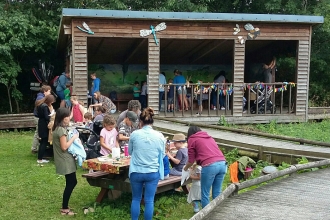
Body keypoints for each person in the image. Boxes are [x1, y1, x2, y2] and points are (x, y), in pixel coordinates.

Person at [128, 107, 166, 220]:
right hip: (152, 172)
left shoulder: (134, 134)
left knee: (136, 199)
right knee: (149, 200)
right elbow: (163, 154)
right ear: (152, 121)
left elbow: (130, 151)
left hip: (136, 171)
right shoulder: (160, 136)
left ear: (140, 122)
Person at [184, 126, 227, 208]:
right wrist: (196, 164)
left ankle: (207, 216)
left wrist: (185, 168)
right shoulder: (209, 137)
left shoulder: (192, 139)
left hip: (210, 166)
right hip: (222, 163)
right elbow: (208, 154)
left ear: (189, 134)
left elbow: (191, 160)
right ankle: (218, 212)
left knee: (204, 194)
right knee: (217, 192)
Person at [52, 107, 79, 216]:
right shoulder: (61, 130)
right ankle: (64, 208)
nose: (69, 118)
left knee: (72, 182)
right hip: (65, 160)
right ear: (63, 118)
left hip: (65, 159)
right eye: (68, 116)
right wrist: (74, 138)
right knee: (71, 182)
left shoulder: (58, 128)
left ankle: (65, 205)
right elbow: (64, 147)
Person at [35, 94, 56, 164]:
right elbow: (47, 117)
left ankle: (40, 157)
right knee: (44, 142)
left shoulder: (40, 104)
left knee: (43, 141)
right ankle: (40, 159)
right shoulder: (45, 107)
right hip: (44, 124)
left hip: (41, 123)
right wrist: (52, 115)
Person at [31, 85, 51, 153]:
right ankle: (34, 148)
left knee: (39, 133)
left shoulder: (41, 96)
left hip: (38, 117)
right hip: (38, 118)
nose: (50, 93)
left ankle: (40, 147)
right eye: (49, 91)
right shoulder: (40, 97)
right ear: (45, 91)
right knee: (38, 133)